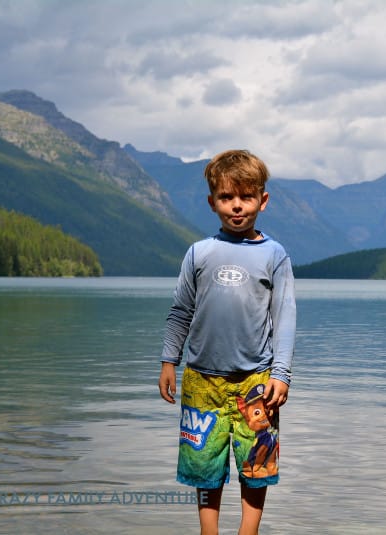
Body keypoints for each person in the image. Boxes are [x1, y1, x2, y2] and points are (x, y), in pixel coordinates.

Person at [158, 149, 296, 535]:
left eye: (246, 197)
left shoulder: (274, 255)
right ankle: (209, 531)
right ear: (212, 202)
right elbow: (180, 311)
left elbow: (285, 318)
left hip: (257, 381)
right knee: (204, 465)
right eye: (226, 198)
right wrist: (169, 360)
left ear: (262, 201)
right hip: (201, 379)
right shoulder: (199, 253)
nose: (237, 207)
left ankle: (247, 532)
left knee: (257, 462)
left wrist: (281, 374)